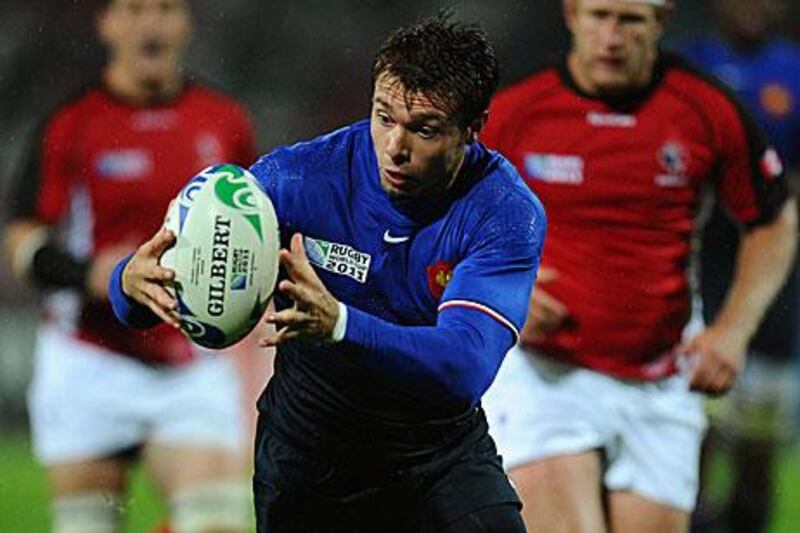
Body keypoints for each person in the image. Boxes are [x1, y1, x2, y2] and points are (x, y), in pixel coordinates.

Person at [108, 12, 546, 533]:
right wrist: (128, 286)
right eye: (384, 117)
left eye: (424, 129)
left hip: (436, 453)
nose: (394, 148)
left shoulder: (502, 212)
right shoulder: (300, 176)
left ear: (472, 129)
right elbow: (158, 289)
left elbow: (465, 364)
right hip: (311, 454)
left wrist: (341, 323)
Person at [479, 0, 798, 532]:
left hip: (662, 378)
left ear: (661, 22)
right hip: (545, 375)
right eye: (599, 15)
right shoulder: (516, 111)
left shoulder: (703, 107)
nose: (611, 36)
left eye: (630, 20)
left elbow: (773, 219)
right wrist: (499, 293)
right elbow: (439, 224)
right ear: (571, 14)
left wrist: (732, 332)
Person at [3, 1, 257, 531]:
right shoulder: (71, 122)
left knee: (216, 523)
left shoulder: (223, 121)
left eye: (165, 8)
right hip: (90, 358)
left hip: (189, 362)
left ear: (185, 23)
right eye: (135, 8)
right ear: (107, 23)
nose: (151, 23)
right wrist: (90, 275)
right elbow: (22, 241)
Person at [680, 1, 800, 531]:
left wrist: (769, 197)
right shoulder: (688, 66)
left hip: (775, 274)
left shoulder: (794, 70)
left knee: (759, 435)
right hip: (703, 263)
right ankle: (695, 516)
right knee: (692, 426)